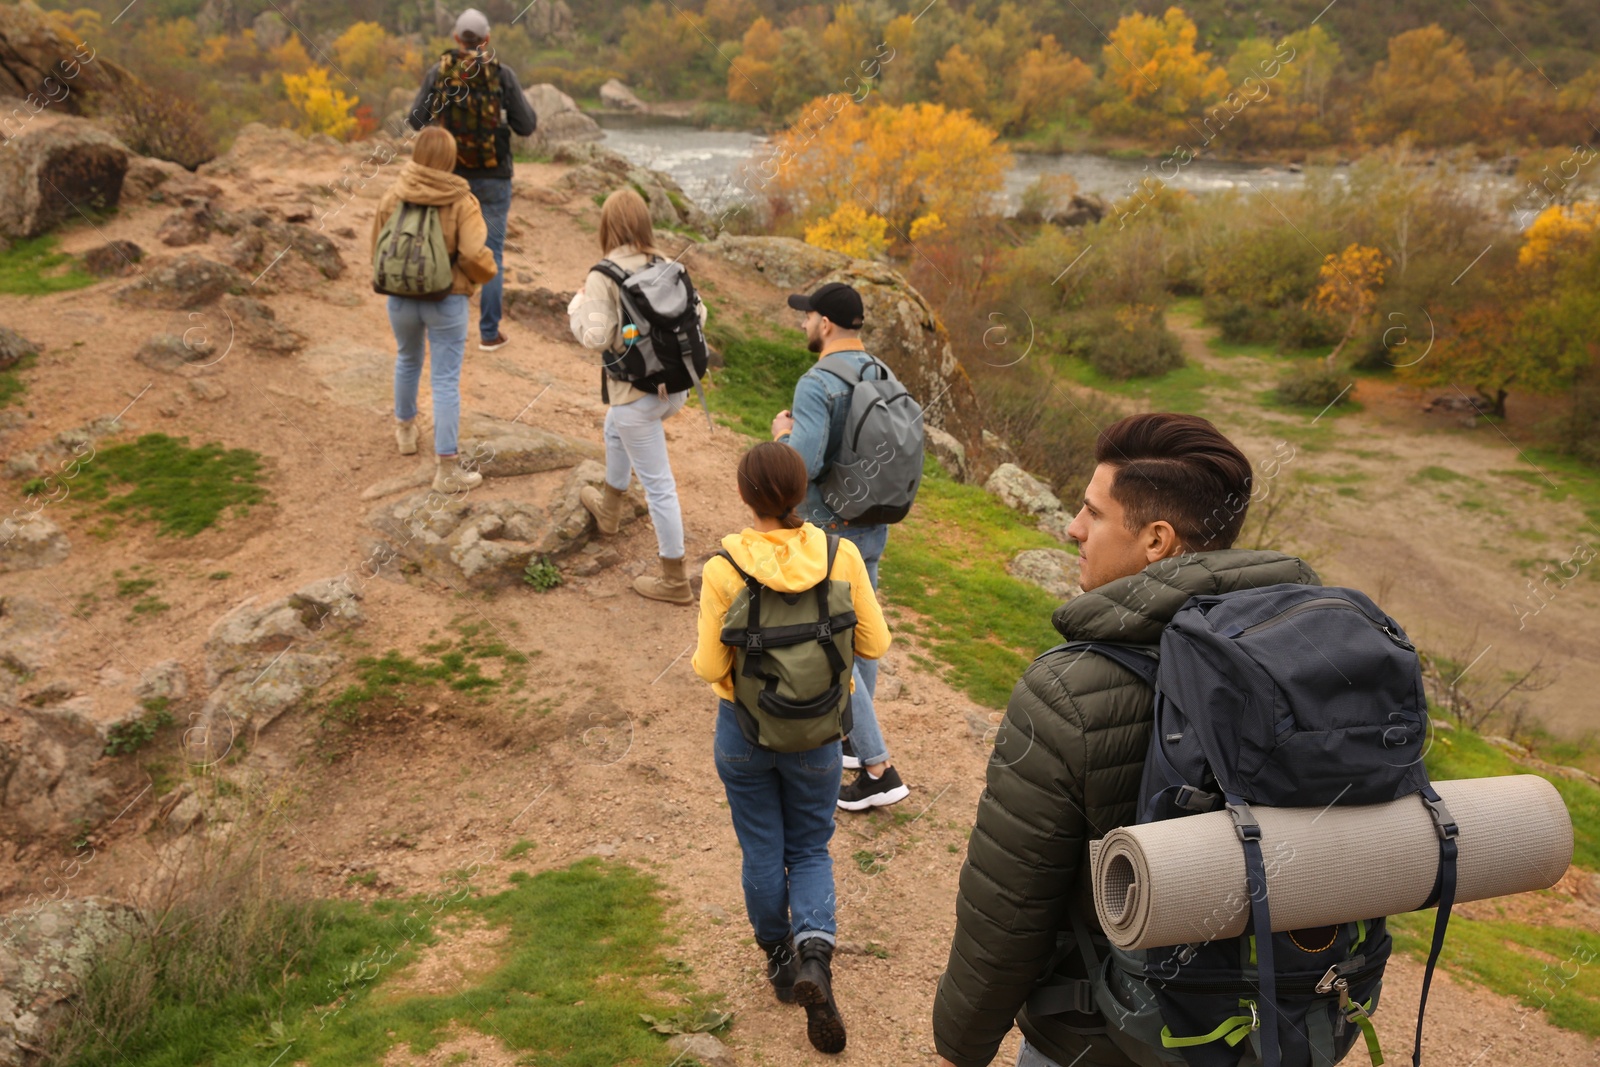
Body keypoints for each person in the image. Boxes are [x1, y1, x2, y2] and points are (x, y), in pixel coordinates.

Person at [931, 413, 1321, 1067]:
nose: (1072, 528)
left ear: (1156, 540)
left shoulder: (1067, 691)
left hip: (1103, 1038)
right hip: (1269, 1030)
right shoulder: (1306, 658)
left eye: (1092, 513)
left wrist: (960, 1045)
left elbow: (1008, 913)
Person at [692, 441, 891, 1056]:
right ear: (802, 492)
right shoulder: (841, 554)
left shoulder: (725, 566)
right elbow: (875, 644)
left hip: (745, 732)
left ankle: (779, 961)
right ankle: (815, 955)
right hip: (820, 737)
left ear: (746, 497)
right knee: (809, 847)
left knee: (762, 849)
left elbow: (707, 665)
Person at [773, 282, 910, 811]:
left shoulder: (817, 382)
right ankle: (853, 744)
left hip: (829, 530)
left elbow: (800, 465)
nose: (803, 323)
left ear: (825, 323)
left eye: (807, 316)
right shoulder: (882, 372)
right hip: (875, 522)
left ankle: (879, 769)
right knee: (864, 637)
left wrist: (781, 434)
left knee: (834, 649)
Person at [567, 188, 705, 604]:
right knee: (615, 426)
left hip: (634, 393)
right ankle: (610, 508)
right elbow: (699, 315)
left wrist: (577, 307)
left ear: (607, 226)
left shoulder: (603, 275)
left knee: (659, 484)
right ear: (645, 223)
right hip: (676, 388)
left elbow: (595, 337)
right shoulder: (667, 264)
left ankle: (674, 579)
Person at [371, 125, 498, 493]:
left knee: (407, 359)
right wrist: (481, 278)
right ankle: (446, 471)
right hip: (447, 300)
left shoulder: (393, 194)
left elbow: (376, 249)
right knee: (444, 380)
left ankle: (405, 433)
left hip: (400, 298)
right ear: (450, 158)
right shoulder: (461, 199)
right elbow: (474, 255)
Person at [407, 7, 538, 352]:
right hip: (494, 177)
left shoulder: (440, 71)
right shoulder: (502, 74)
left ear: (455, 39)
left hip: (449, 176)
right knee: (491, 253)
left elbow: (416, 120)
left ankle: (443, 328)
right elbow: (526, 125)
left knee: (444, 248)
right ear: (487, 40)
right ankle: (489, 333)